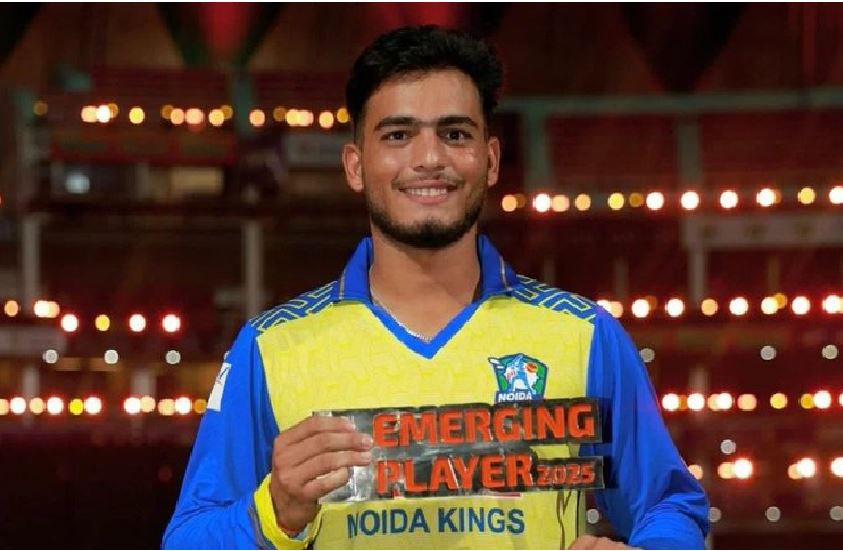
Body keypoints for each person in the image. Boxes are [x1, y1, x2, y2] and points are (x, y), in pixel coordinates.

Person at [163, 25, 709, 550]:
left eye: (455, 134)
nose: (429, 159)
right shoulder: (271, 347)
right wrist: (273, 512)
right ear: (355, 165)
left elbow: (669, 505)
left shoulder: (584, 335)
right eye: (398, 135)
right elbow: (187, 539)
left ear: (490, 161)